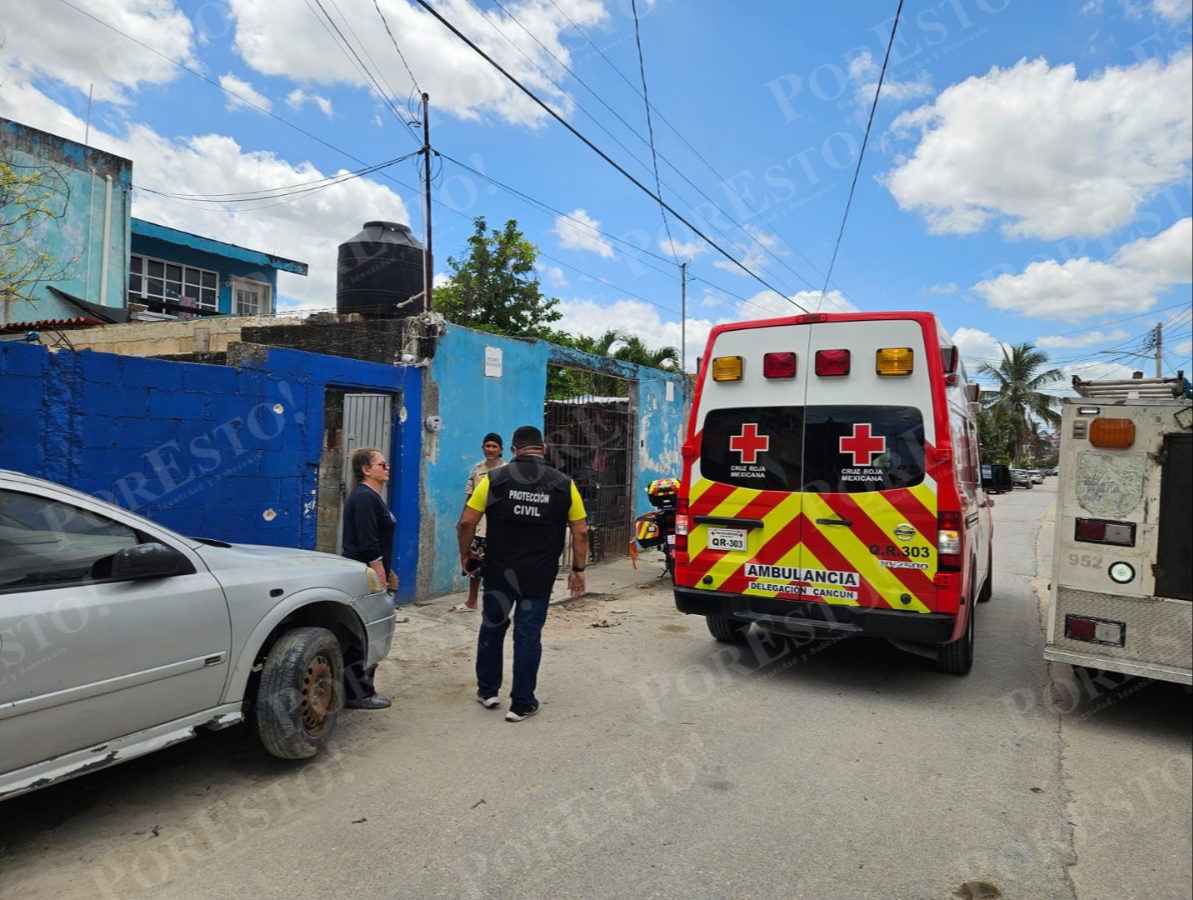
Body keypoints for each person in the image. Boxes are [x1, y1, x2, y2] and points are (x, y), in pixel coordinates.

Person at [457, 425, 588, 722]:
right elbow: (580, 532)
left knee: (493, 626)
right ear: (543, 449)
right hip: (538, 575)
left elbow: (466, 523)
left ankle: (488, 692)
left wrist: (467, 556)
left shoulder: (493, 479)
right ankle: (522, 703)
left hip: (499, 571)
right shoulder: (564, 483)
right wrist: (578, 570)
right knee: (528, 634)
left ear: (513, 451)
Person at [340, 446, 394, 711]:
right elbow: (369, 542)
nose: (387, 468)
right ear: (366, 469)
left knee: (365, 633)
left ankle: (356, 689)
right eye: (382, 464)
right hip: (366, 575)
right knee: (365, 634)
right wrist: (381, 574)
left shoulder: (372, 496)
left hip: (369, 572)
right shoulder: (364, 497)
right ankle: (359, 693)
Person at [456, 433, 506, 612]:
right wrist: (463, 519)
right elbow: (470, 496)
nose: (490, 449)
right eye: (487, 446)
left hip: (498, 526)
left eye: (494, 446)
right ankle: (472, 601)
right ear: (482, 448)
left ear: (501, 450)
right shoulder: (477, 469)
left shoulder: (507, 470)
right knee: (474, 563)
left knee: (496, 565)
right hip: (478, 525)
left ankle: (496, 602)